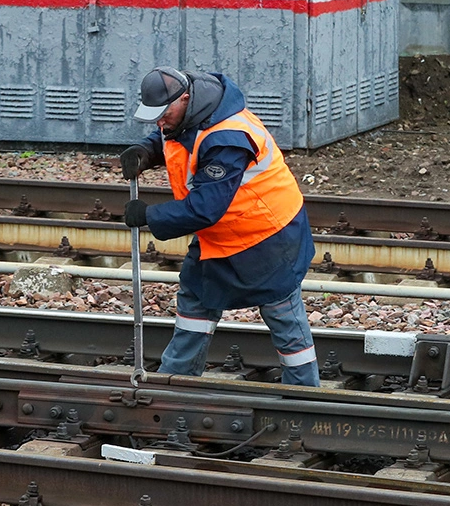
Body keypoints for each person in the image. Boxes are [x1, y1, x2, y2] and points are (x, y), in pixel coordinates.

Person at [120, 66, 320, 386]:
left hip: (267, 237)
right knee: (195, 300)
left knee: (282, 312)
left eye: (162, 113)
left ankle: (306, 396)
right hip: (223, 235)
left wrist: (150, 216)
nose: (159, 122)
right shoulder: (191, 110)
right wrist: (146, 152)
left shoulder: (228, 138)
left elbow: (205, 208)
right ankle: (176, 383)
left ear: (184, 99)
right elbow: (173, 137)